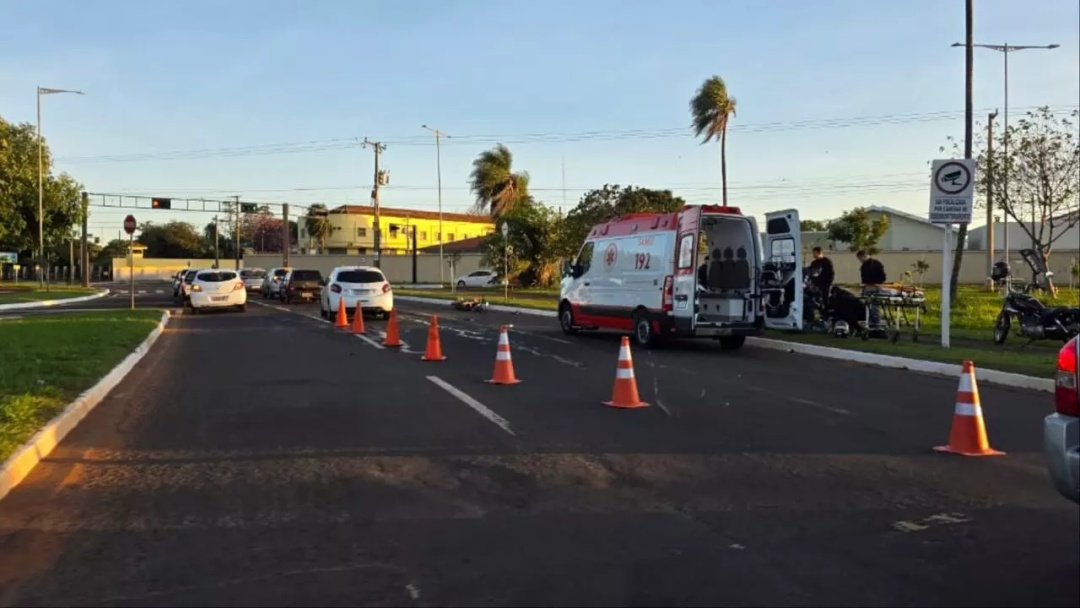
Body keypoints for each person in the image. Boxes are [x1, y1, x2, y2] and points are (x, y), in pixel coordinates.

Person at [856, 250, 887, 327]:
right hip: (872, 287)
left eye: (860, 259)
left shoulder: (870, 265)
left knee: (873, 306)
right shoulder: (874, 264)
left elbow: (882, 277)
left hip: (873, 287)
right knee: (872, 306)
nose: (860, 261)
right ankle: (872, 322)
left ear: (864, 256)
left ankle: (875, 323)